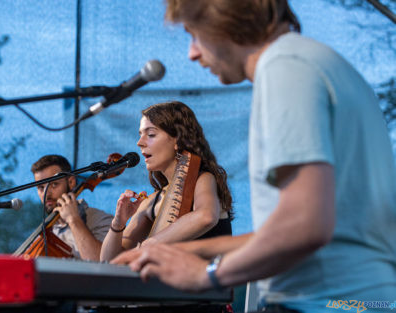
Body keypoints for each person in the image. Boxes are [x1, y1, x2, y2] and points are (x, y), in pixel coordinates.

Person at [113, 1, 396, 312]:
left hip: (320, 302)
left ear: (225, 19)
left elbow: (305, 227)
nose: (192, 53)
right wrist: (182, 253)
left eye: (194, 34)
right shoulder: (325, 64)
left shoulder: (284, 68)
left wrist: (208, 274)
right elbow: (319, 230)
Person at [100, 101, 233, 262]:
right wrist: (118, 223)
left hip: (205, 284)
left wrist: (147, 246)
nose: (139, 142)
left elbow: (206, 217)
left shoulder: (203, 180)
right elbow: (109, 261)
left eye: (150, 135)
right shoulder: (152, 200)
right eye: (140, 134)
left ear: (177, 140)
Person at [31, 154, 113, 260]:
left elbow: (101, 263)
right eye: (40, 187)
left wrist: (73, 219)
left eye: (54, 184)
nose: (46, 194)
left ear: (71, 182)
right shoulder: (45, 233)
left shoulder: (100, 219)